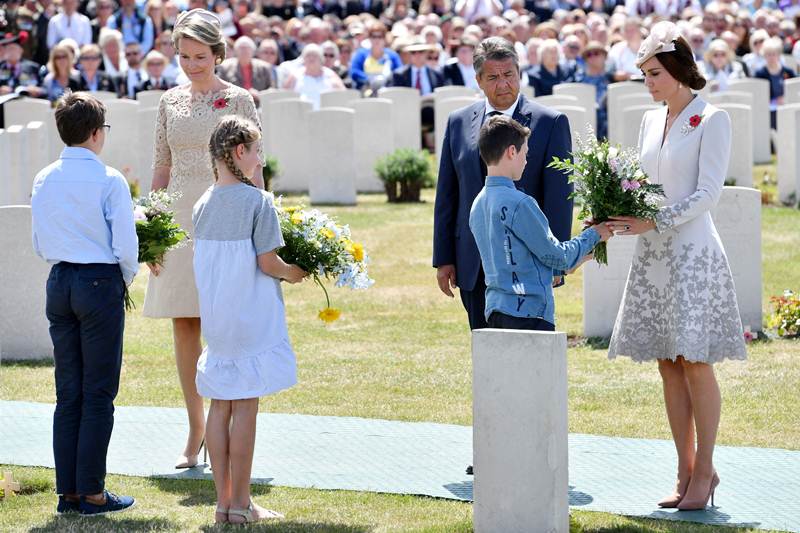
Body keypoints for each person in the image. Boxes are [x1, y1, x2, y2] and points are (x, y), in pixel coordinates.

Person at [607, 21, 747, 511]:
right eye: (644, 74)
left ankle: (706, 470)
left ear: (677, 70)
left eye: (654, 74)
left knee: (694, 359)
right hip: (654, 255)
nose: (648, 83)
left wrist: (655, 221)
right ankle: (684, 471)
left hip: (691, 252)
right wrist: (615, 209)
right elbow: (641, 183)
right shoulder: (648, 121)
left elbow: (708, 194)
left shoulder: (713, 118)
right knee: (667, 363)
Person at [144, 8, 264, 470]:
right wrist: (151, 228)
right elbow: (160, 164)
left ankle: (227, 423)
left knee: (227, 324)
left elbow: (255, 164)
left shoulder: (239, 99)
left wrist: (261, 223)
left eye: (200, 56)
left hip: (227, 218)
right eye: (184, 56)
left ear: (217, 54)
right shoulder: (168, 101)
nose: (192, 64)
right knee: (184, 322)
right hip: (176, 220)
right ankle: (195, 429)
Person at [30, 91, 138, 516]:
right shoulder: (109, 179)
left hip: (59, 280)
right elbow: (125, 246)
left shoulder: (44, 177)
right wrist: (121, 279)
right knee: (98, 392)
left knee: (68, 391)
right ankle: (91, 491)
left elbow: (40, 241)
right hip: (98, 280)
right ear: (97, 133)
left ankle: (68, 492)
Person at [195, 116, 305, 525]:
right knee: (245, 405)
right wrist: (293, 272)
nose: (260, 160)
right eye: (257, 151)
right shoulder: (258, 202)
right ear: (239, 152)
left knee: (220, 403)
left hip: (219, 317)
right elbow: (267, 262)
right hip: (250, 312)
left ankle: (223, 503)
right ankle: (242, 503)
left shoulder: (203, 202)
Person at [433, 36, 574, 333]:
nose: (503, 84)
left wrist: (556, 261)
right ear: (479, 80)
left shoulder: (550, 122)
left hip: (527, 265)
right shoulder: (458, 122)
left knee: (525, 356)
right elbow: (448, 195)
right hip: (472, 263)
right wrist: (444, 257)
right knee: (485, 355)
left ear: (519, 74)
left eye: (509, 75)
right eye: (493, 77)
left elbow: (560, 197)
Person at [469, 115, 611, 331]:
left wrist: (580, 256)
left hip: (496, 311)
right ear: (511, 151)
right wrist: (595, 233)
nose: (526, 161)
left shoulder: (478, 203)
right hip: (528, 314)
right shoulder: (520, 203)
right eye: (525, 153)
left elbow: (520, 258)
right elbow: (558, 257)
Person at [282, 43, 345, 109]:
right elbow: (285, 96)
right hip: (300, 114)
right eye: (308, 55)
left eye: (315, 55)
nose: (311, 58)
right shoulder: (295, 75)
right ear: (303, 59)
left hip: (325, 114)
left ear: (321, 59)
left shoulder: (330, 75)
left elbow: (342, 94)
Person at [754, 37, 797, 129]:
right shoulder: (760, 73)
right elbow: (758, 95)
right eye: (768, 54)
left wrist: (785, 98)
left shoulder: (788, 72)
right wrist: (774, 101)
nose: (771, 57)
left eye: (774, 54)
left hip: (786, 108)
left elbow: (795, 88)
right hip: (768, 111)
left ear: (778, 55)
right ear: (764, 55)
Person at [349, 21, 401, 91]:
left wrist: (387, 80)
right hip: (365, 93)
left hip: (387, 92)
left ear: (384, 38)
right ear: (369, 38)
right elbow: (354, 72)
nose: (377, 40)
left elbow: (399, 72)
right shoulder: (361, 54)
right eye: (374, 36)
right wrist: (369, 79)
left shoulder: (392, 55)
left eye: (380, 37)